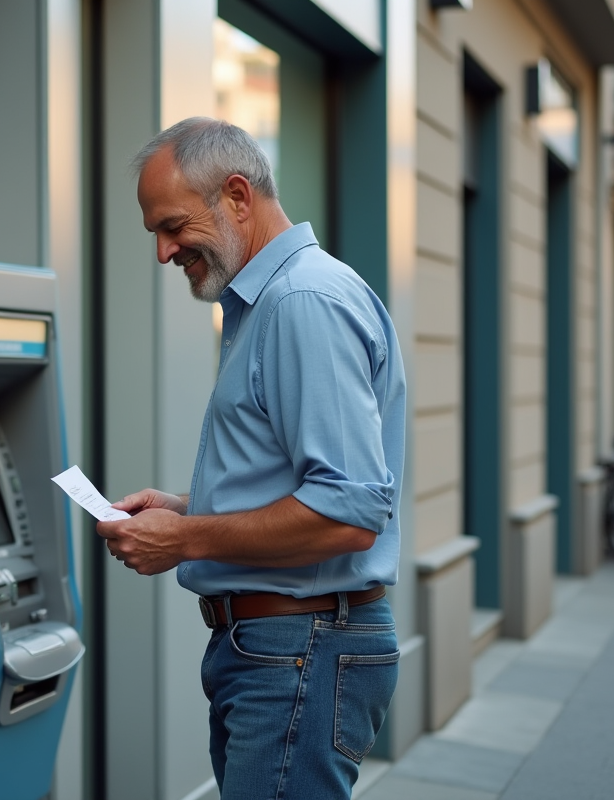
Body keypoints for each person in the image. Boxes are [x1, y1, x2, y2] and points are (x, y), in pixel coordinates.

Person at [95, 117, 406, 799]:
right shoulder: (270, 301)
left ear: (237, 195)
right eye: (154, 231)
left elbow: (348, 514)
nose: (164, 250)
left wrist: (185, 537)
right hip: (285, 647)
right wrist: (186, 506)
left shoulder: (302, 302)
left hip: (300, 647)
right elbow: (304, 482)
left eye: (172, 225)